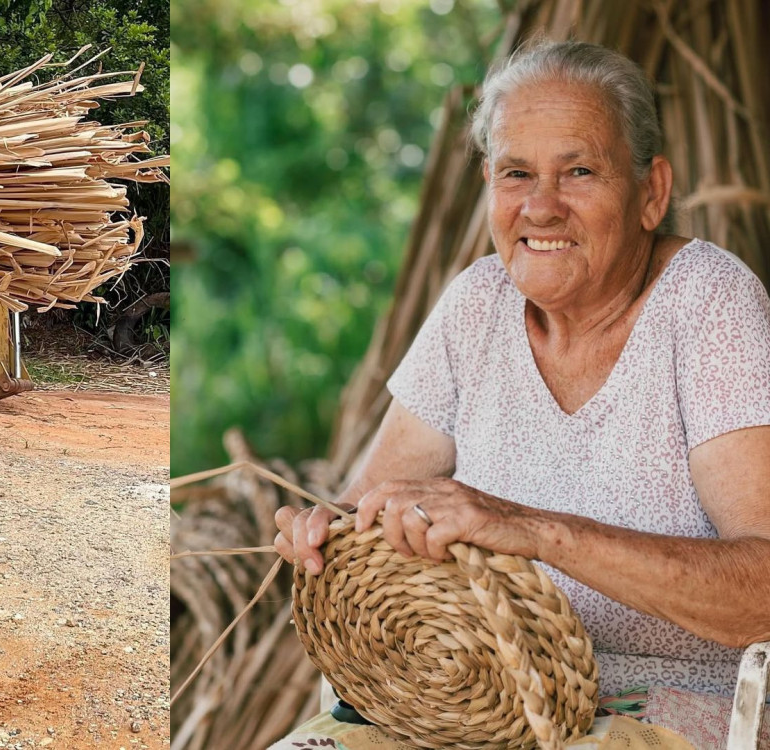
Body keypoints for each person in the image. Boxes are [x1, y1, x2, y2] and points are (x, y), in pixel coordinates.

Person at [273, 40, 770, 747]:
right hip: (475, 698)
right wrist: (325, 535)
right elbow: (370, 505)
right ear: (487, 184)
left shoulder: (707, 304)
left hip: (663, 706)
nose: (540, 206)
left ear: (651, 193)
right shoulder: (475, 303)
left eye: (580, 171)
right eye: (516, 173)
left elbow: (764, 592)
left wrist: (534, 530)